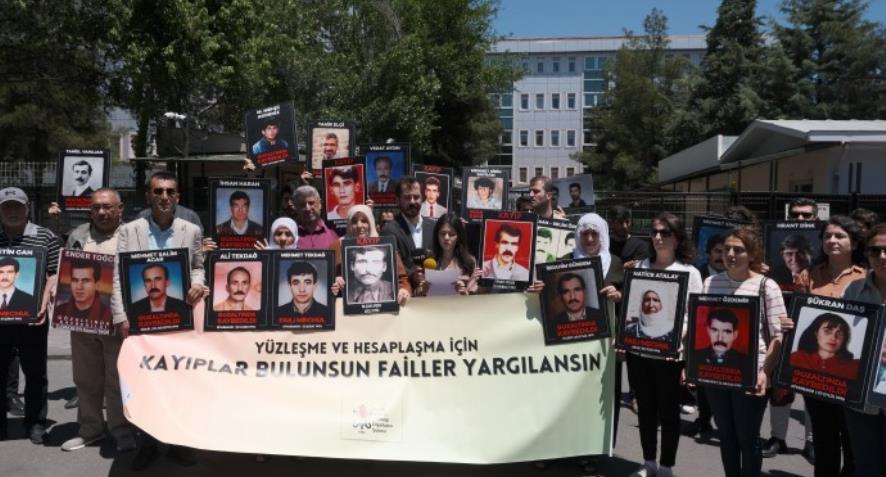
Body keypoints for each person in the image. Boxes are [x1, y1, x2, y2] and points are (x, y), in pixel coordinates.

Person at [111, 171, 206, 470]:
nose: (164, 197)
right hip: (140, 320)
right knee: (145, 383)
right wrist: (120, 316)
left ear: (177, 197)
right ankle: (149, 443)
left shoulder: (191, 230)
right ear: (148, 196)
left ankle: (178, 441)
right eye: (158, 191)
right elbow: (118, 275)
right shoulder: (129, 231)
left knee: (178, 380)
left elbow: (198, 266)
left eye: (169, 191)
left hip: (178, 317)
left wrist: (198, 283)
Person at [55, 188, 136, 453]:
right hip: (83, 323)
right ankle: (90, 430)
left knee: (117, 380)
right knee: (86, 380)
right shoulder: (78, 236)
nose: (102, 212)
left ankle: (122, 430)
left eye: (108, 207)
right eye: (96, 207)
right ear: (90, 211)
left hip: (118, 323)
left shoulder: (132, 235)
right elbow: (66, 274)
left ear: (120, 209)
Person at [702, 226, 785, 477]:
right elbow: (701, 327)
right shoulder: (710, 283)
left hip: (752, 374)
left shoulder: (767, 286)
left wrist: (765, 372)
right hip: (717, 372)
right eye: (727, 249)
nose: (730, 254)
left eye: (738, 250)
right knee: (726, 435)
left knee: (747, 438)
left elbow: (777, 336)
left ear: (752, 254)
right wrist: (692, 366)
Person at [625, 212, 703, 477]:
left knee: (669, 413)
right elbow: (633, 309)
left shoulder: (690, 273)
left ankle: (667, 465)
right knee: (645, 410)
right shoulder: (641, 267)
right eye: (655, 232)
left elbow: (694, 317)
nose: (658, 237)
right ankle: (649, 463)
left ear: (677, 238)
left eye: (665, 232)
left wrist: (676, 338)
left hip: (671, 355)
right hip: (640, 353)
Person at [793, 215, 865, 477]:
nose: (832, 240)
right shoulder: (808, 276)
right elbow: (799, 318)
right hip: (816, 374)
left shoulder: (865, 277)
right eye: (827, 236)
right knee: (824, 442)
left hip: (851, 375)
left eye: (840, 236)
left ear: (854, 243)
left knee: (853, 443)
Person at [0, 187, 61, 444]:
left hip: (33, 316)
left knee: (36, 373)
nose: (12, 211)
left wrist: (45, 300)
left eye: (17, 206)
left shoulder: (45, 236)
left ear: (27, 208)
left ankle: (36, 423)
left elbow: (55, 272)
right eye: (6, 207)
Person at [843, 223, 886, 476]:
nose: (882, 256)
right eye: (875, 250)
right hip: (861, 396)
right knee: (866, 465)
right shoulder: (853, 290)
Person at [331, 205, 411, 305]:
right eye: (354, 222)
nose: (359, 225)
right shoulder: (338, 245)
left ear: (371, 223)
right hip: (345, 308)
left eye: (364, 221)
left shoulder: (386, 245)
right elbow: (326, 280)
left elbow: (402, 279)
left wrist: (404, 290)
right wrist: (334, 282)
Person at [381, 177, 436, 276]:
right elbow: (390, 264)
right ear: (397, 200)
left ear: (422, 198)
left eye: (416, 197)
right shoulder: (389, 231)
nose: (412, 202)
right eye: (407, 197)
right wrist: (412, 275)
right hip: (405, 285)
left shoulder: (434, 227)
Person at [789, 313, 859, 379]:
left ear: (844, 339)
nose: (833, 337)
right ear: (816, 333)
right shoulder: (796, 358)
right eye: (827, 331)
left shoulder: (855, 366)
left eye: (839, 334)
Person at [428, 212, 479, 295]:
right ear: (437, 235)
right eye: (442, 234)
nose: (446, 238)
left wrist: (466, 292)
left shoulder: (470, 262)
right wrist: (422, 288)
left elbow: (474, 295)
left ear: (458, 237)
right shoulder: (429, 260)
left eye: (451, 234)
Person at [292, 185, 339, 250]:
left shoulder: (332, 236)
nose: (308, 208)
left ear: (320, 204)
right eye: (302, 205)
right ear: (296, 208)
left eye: (311, 203)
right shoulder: (290, 235)